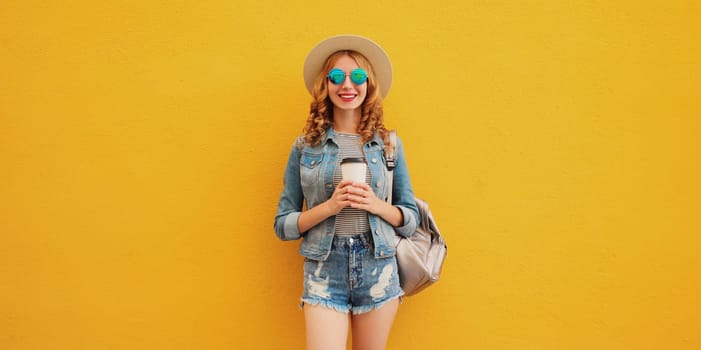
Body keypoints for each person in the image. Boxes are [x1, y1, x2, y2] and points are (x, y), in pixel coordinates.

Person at [274, 34, 419, 350]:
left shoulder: (389, 144)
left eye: (357, 76)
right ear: (325, 85)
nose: (347, 85)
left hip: (378, 266)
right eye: (336, 77)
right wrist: (329, 206)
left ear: (369, 84)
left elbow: (410, 219)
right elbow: (282, 225)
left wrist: (375, 205)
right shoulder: (305, 147)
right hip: (325, 270)